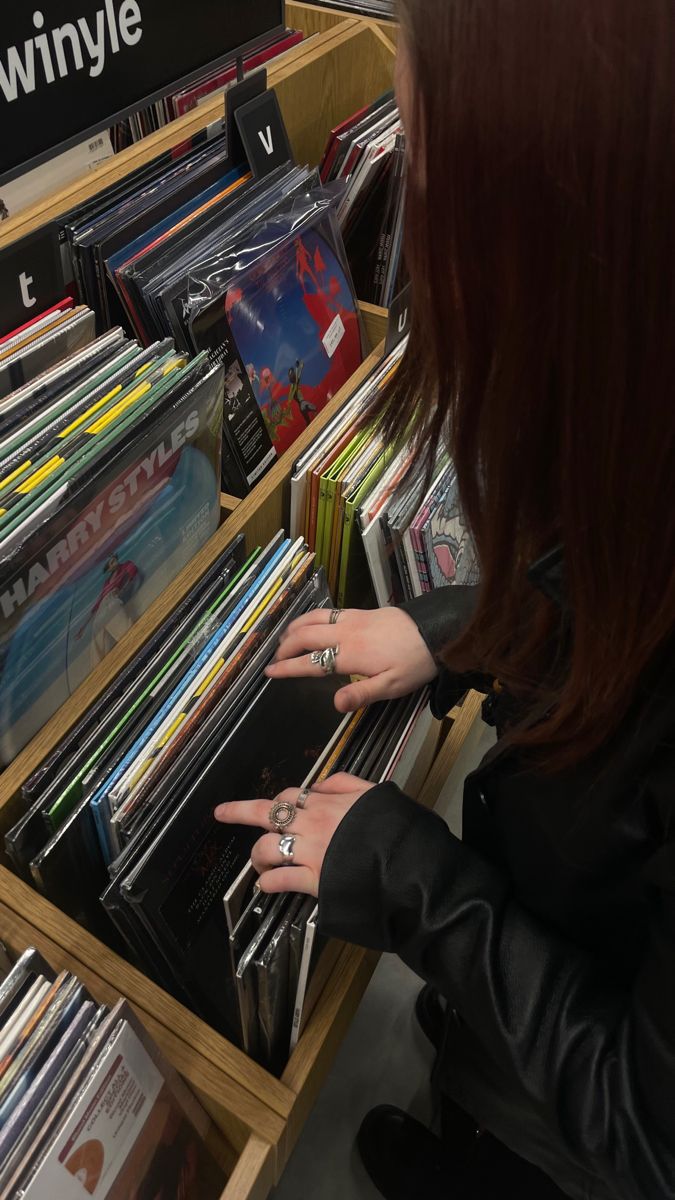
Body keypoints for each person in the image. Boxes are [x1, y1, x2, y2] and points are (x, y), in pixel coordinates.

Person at [215, 2, 675, 1198]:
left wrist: (414, 880)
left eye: (442, 190)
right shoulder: (639, 423)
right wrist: (458, 629)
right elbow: (621, 588)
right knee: (469, 1072)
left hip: (576, 1134)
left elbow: (648, 1125)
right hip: (559, 931)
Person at [77, 554, 141, 668]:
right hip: (103, 605)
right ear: (108, 569)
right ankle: (99, 669)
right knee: (97, 632)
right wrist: (83, 627)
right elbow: (99, 602)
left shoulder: (126, 565)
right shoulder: (107, 582)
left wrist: (121, 591)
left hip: (112, 599)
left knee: (119, 620)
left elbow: (132, 572)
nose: (114, 563)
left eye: (113, 560)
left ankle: (135, 646)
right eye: (110, 564)